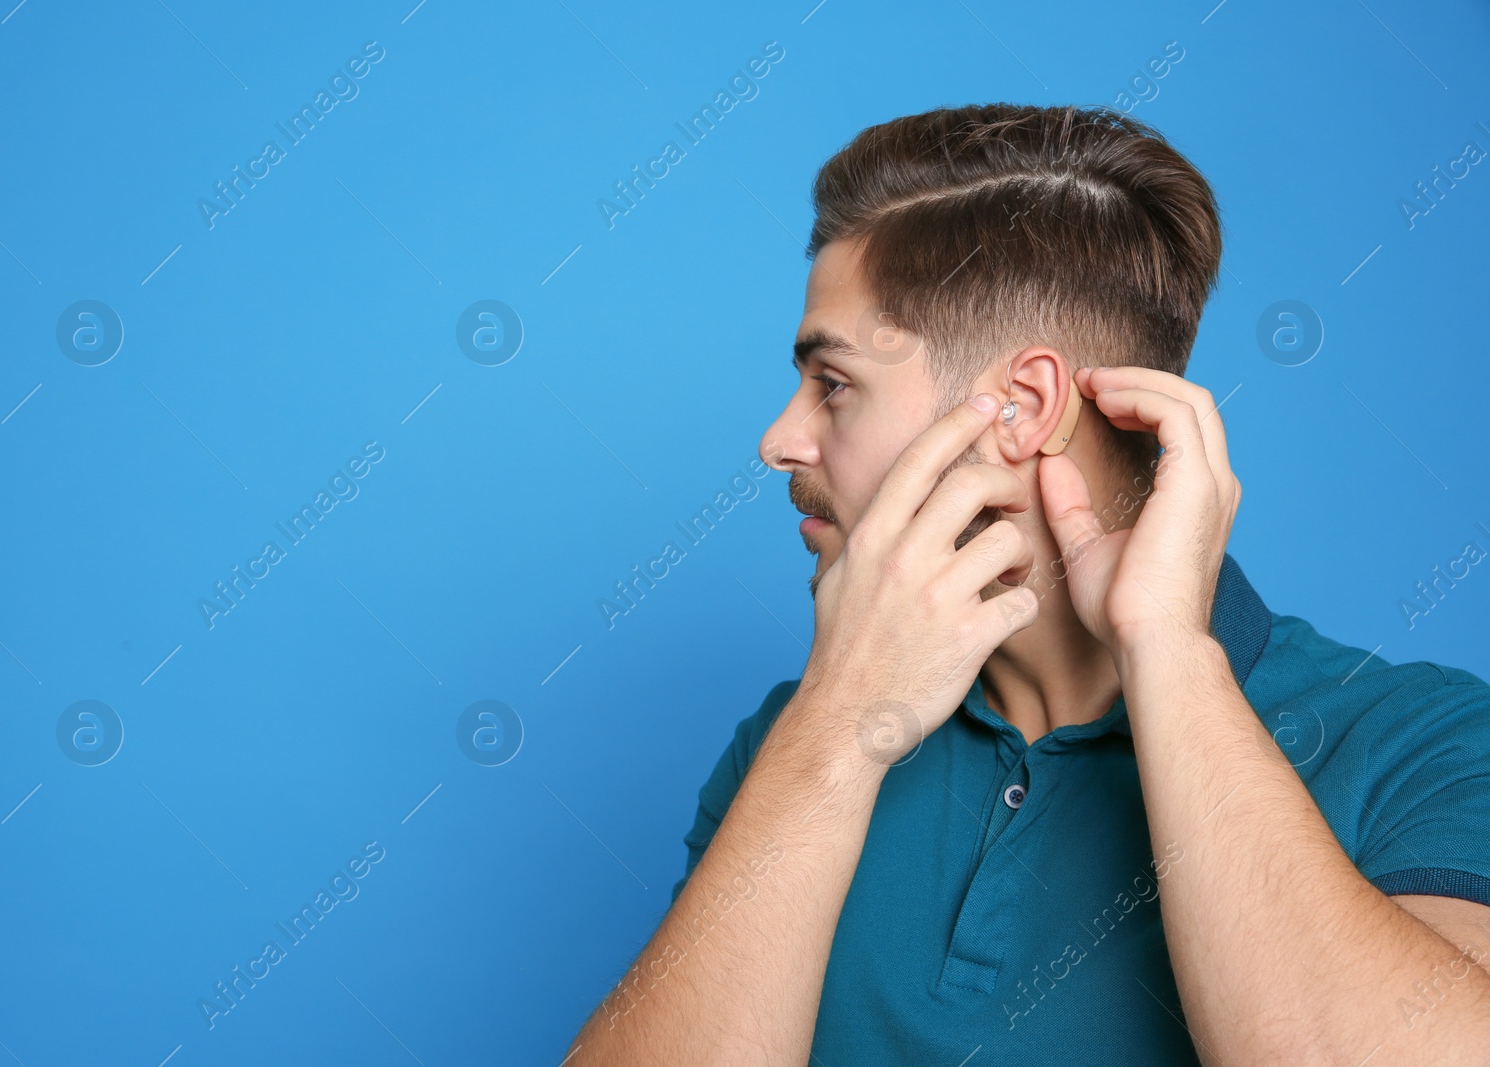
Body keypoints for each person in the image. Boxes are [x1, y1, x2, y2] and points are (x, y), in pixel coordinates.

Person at [565, 104, 1490, 1064]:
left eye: (832, 383)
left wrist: (1168, 653)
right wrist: (837, 728)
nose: (780, 441)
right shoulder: (792, 738)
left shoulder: (1424, 743)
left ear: (1023, 406)